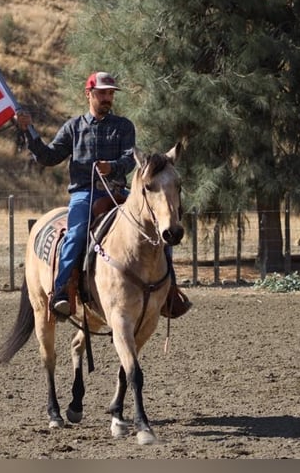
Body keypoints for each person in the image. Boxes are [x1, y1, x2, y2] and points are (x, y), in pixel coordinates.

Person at [16, 71, 191, 319]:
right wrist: (29, 132)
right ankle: (62, 291)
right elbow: (48, 157)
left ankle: (169, 291)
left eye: (110, 93)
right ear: (89, 94)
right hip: (85, 193)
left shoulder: (123, 127)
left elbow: (130, 161)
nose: (108, 98)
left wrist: (112, 167)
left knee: (160, 230)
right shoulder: (73, 128)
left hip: (120, 192)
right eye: (102, 93)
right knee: (76, 233)